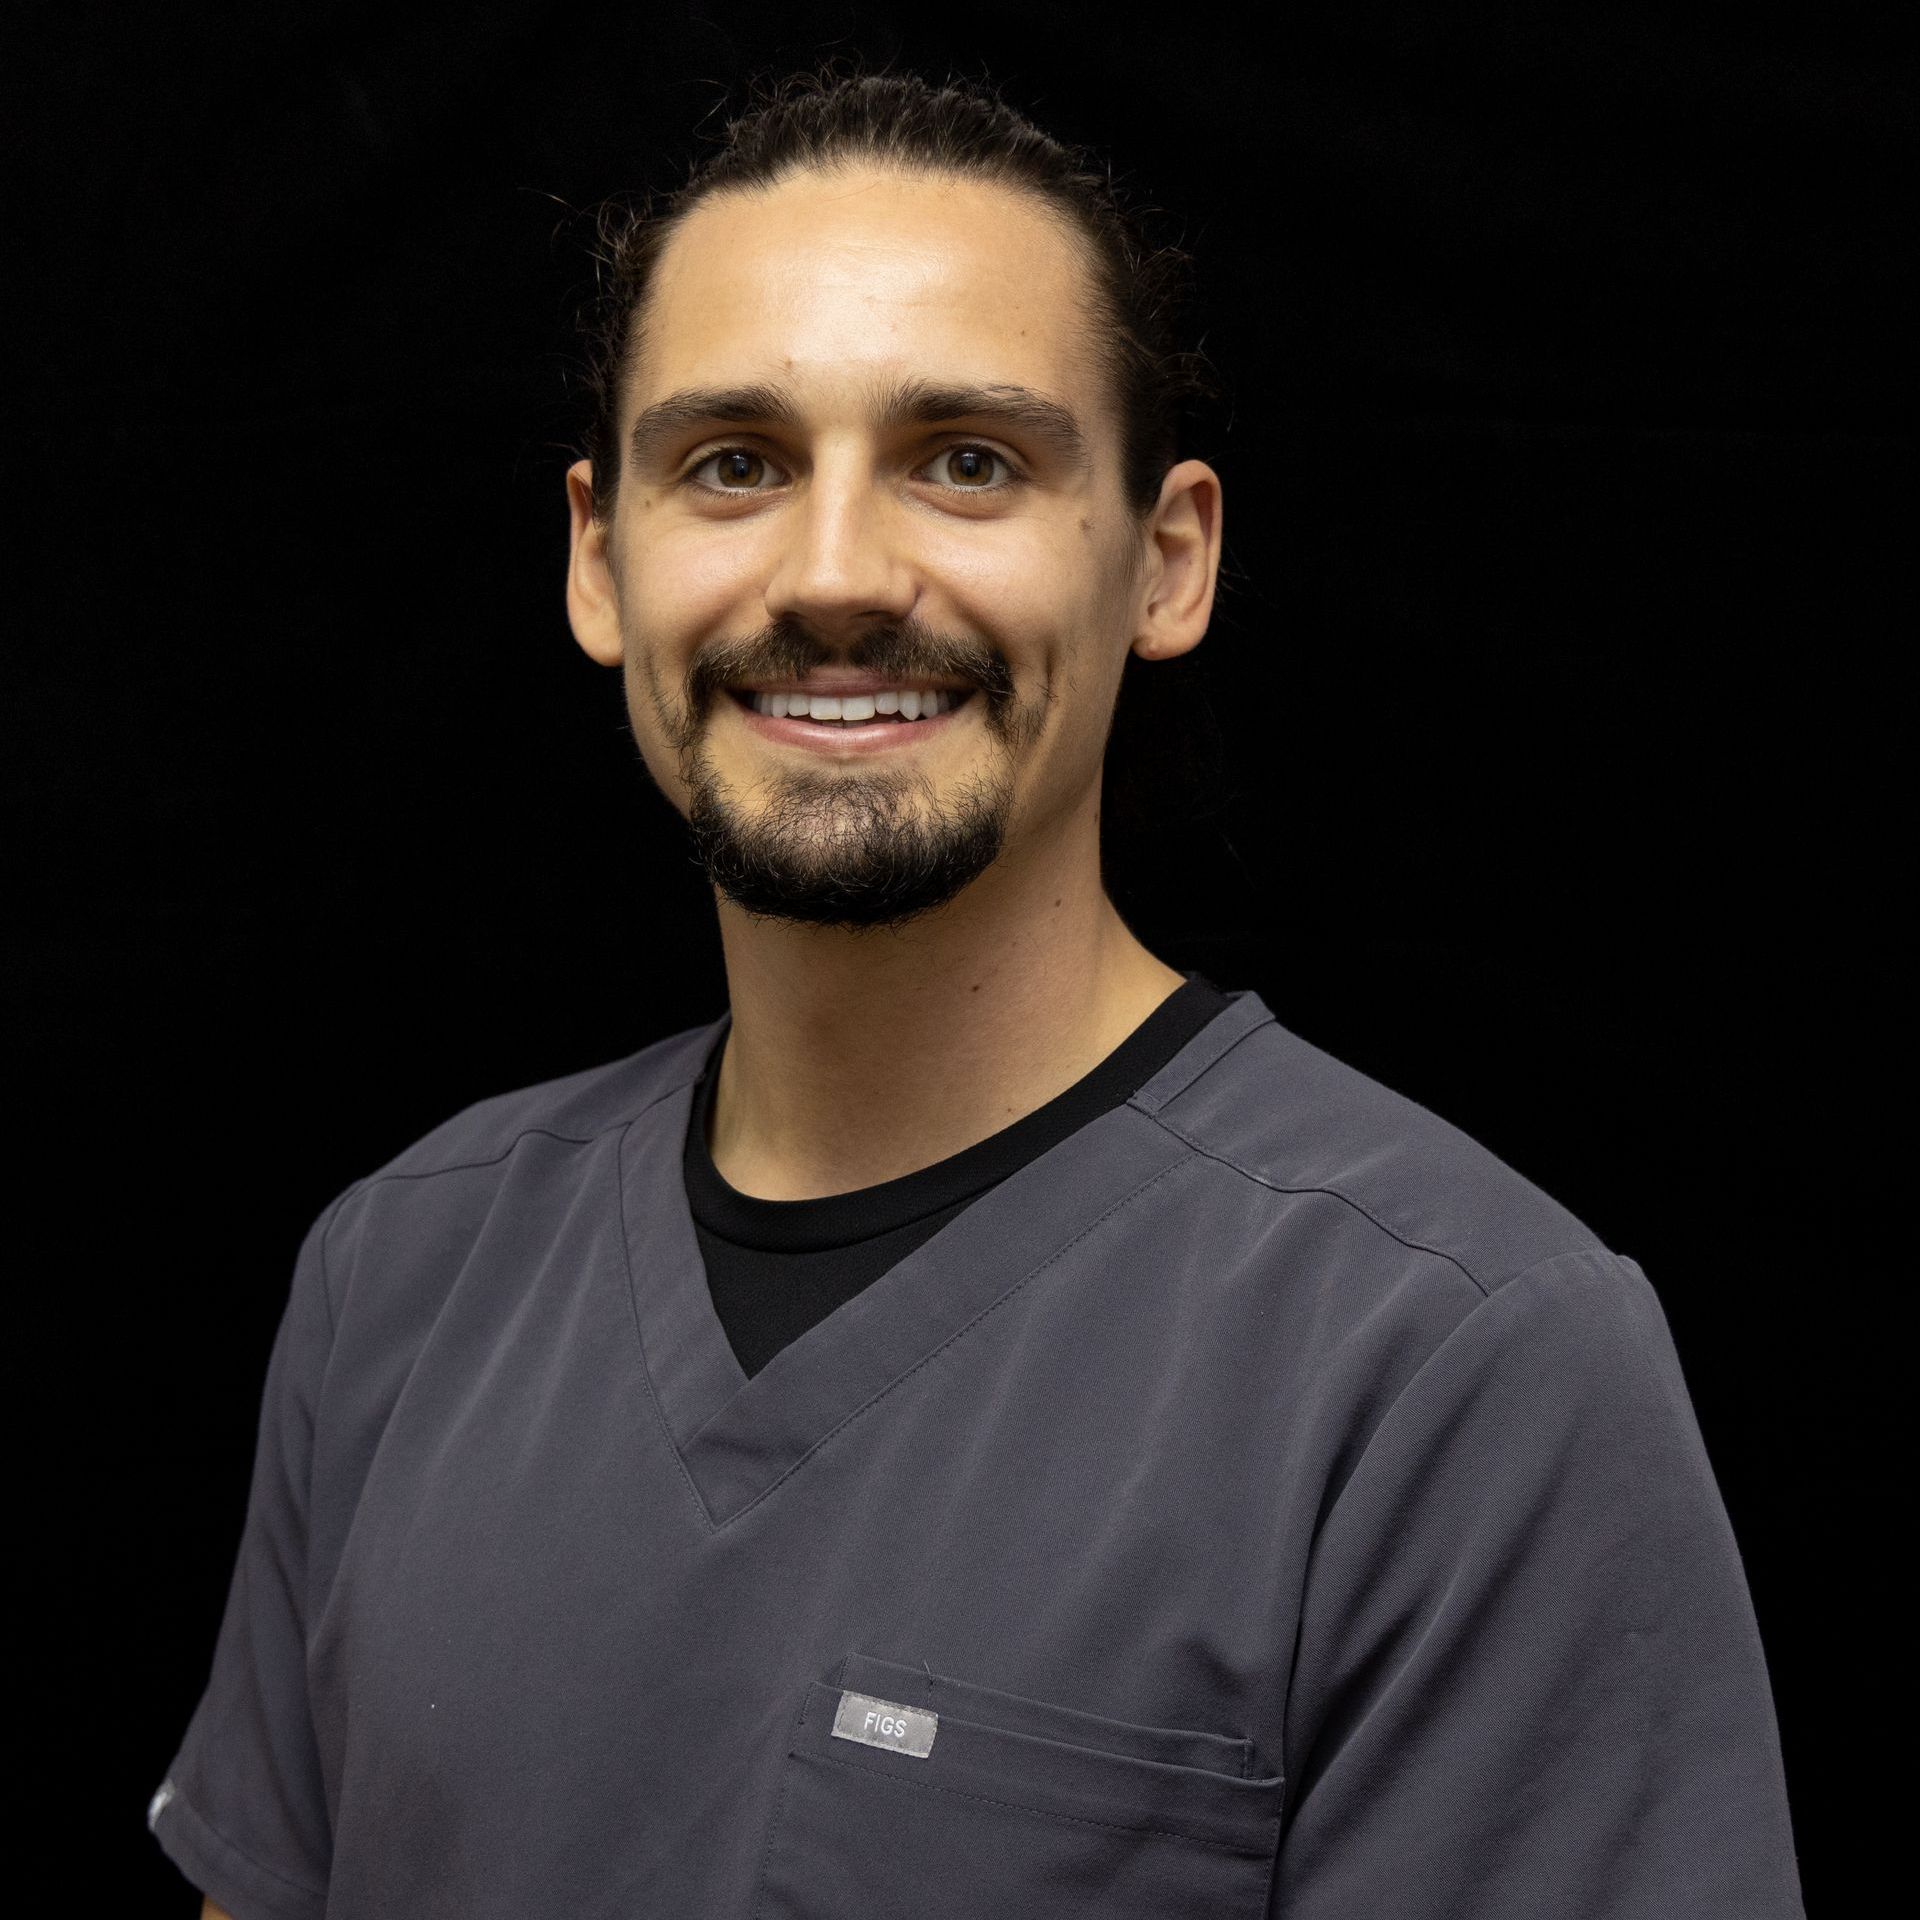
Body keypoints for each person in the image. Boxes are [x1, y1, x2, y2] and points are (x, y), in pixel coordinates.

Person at [149, 67, 1806, 1920]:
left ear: (1166, 561)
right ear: (599, 560)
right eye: (733, 464)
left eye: (968, 461)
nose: (839, 574)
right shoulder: (398, 1270)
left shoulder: (1461, 1363)